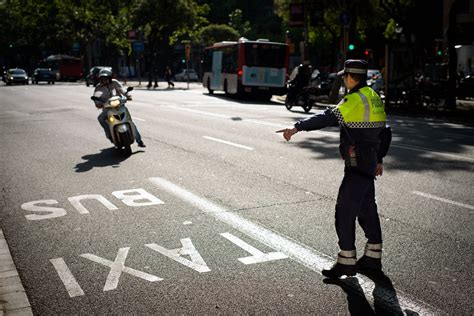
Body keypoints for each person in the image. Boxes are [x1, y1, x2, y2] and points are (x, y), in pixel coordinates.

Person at [277, 59, 391, 278]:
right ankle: (373, 258)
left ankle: (346, 262)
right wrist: (379, 158)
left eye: (344, 77)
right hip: (368, 162)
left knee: (344, 211)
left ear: (349, 77)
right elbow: (385, 131)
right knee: (367, 209)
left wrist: (297, 127)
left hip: (357, 163)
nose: (344, 80)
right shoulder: (373, 96)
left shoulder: (355, 99)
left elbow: (328, 117)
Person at [92, 68, 146, 148]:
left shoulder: (115, 82)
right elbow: (96, 96)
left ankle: (139, 140)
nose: (103, 80)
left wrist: (127, 96)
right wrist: (98, 103)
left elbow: (122, 90)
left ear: (110, 77)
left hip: (119, 105)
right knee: (100, 118)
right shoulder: (99, 87)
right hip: (108, 109)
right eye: (102, 78)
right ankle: (110, 134)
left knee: (130, 121)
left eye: (105, 78)